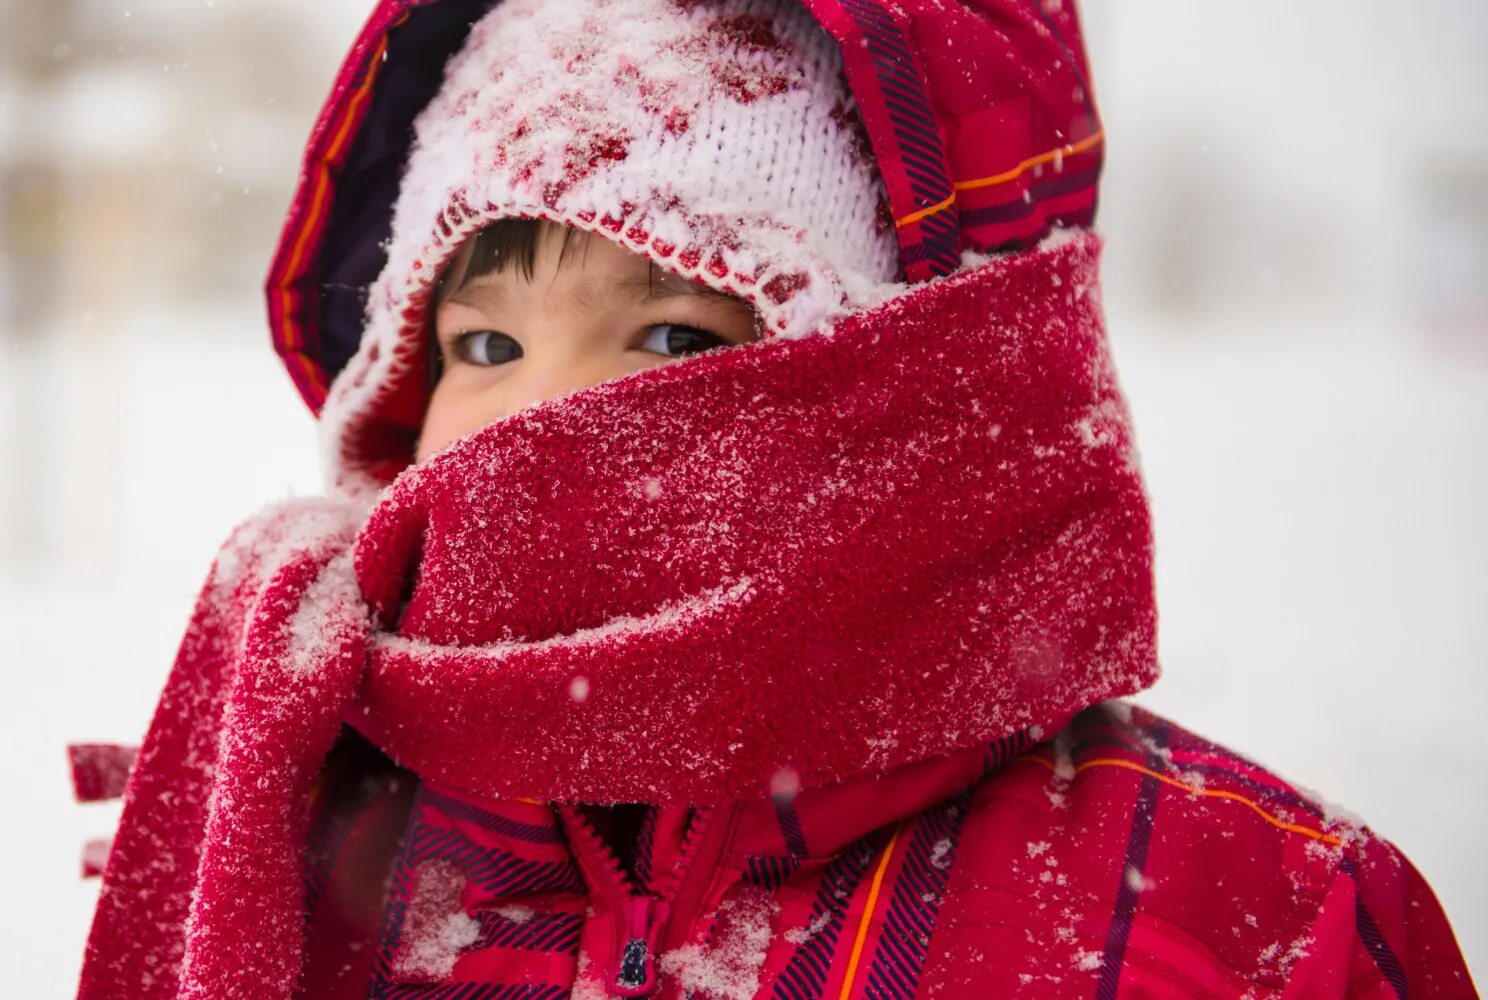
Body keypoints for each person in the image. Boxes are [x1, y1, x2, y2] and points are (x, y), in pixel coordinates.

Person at [73, 0, 1477, 997]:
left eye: (678, 336)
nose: (544, 420)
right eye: (484, 346)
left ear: (920, 395)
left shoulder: (1242, 921)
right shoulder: (302, 842)